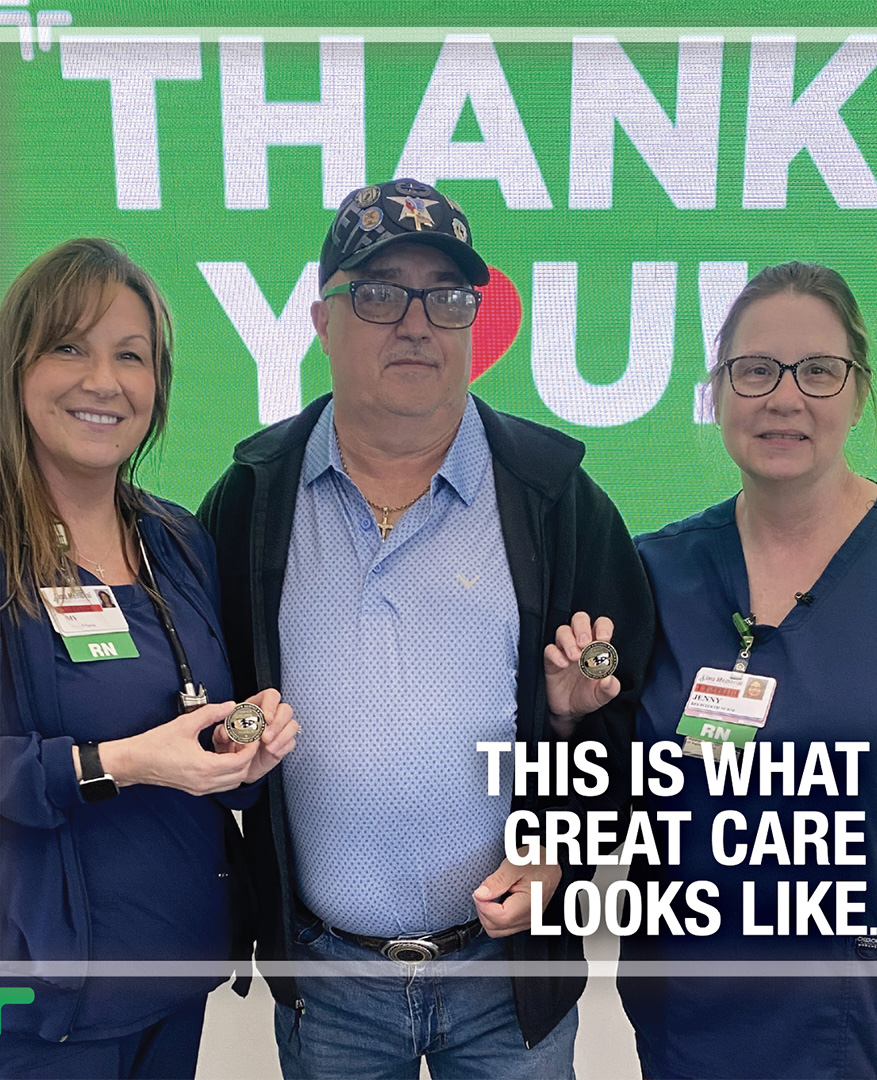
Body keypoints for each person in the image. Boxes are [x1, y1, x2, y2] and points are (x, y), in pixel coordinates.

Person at [199, 178, 655, 1077]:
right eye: (379, 293)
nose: (417, 324)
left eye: (446, 297)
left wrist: (562, 850)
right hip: (328, 982)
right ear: (322, 321)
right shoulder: (253, 496)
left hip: (506, 985)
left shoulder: (555, 498)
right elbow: (206, 705)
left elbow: (629, 719)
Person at [0, 238, 298, 1079]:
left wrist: (240, 752)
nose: (104, 381)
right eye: (70, 347)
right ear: (16, 367)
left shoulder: (176, 539)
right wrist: (113, 764)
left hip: (172, 975)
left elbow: (193, 735)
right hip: (25, 998)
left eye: (131, 356)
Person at [551, 262, 877, 1078]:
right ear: (717, 392)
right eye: (756, 369)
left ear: (858, 392)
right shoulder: (654, 573)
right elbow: (610, 788)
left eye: (819, 371)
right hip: (693, 1011)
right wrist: (566, 715)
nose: (784, 397)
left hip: (873, 1010)